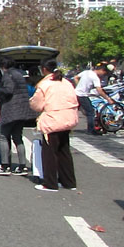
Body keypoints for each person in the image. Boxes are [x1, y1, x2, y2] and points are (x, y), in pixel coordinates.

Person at [29, 59, 79, 192]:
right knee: (64, 151)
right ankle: (69, 182)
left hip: (53, 120)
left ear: (44, 69)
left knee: (49, 153)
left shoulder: (44, 84)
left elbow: (37, 105)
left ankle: (50, 183)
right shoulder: (66, 82)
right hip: (68, 118)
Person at [0, 57, 34, 176]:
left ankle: (4, 166)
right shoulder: (19, 74)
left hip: (11, 110)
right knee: (17, 137)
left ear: (2, 67)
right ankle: (22, 166)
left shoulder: (8, 75)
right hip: (22, 110)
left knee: (2, 136)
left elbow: (8, 91)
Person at [74, 64, 114, 135]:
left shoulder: (87, 72)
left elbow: (76, 77)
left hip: (76, 93)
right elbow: (99, 90)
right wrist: (108, 99)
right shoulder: (95, 77)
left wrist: (78, 87)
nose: (103, 75)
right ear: (102, 70)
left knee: (74, 111)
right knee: (91, 113)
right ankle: (91, 130)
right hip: (83, 95)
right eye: (104, 73)